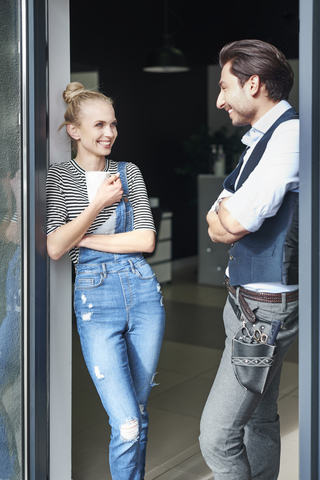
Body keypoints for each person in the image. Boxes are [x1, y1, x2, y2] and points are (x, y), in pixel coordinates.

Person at [46, 82, 165, 480]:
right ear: (74, 131)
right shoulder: (59, 177)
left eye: (113, 124)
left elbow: (145, 239)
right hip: (96, 300)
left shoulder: (128, 172)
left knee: (138, 412)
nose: (109, 133)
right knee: (127, 422)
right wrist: (97, 204)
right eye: (99, 125)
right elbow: (53, 246)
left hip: (143, 292)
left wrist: (79, 235)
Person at [199, 40, 299, 480]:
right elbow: (216, 219)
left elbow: (231, 221)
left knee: (216, 436)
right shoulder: (260, 139)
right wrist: (227, 215)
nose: (219, 100)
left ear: (253, 84)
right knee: (259, 417)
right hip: (248, 300)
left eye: (225, 87)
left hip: (262, 309)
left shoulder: (290, 136)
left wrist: (227, 215)